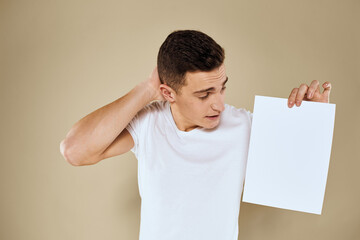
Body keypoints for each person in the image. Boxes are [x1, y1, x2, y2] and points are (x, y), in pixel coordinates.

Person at [60, 30, 332, 240]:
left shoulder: (243, 125)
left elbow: (300, 179)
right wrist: (145, 89)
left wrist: (311, 120)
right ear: (168, 93)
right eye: (204, 94)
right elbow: (75, 151)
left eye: (221, 88)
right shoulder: (148, 123)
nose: (219, 104)